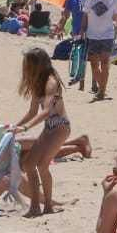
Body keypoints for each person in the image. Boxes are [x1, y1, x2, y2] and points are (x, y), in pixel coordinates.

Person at [14, 47, 71, 217]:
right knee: (29, 165)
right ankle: (36, 206)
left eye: (27, 65)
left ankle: (47, 205)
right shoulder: (37, 82)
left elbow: (46, 111)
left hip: (60, 127)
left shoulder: (51, 83)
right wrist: (15, 127)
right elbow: (32, 112)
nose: (24, 68)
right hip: (49, 127)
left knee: (42, 165)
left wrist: (25, 128)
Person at [82, 0, 117, 101]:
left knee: (105, 63)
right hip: (92, 35)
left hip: (107, 35)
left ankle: (101, 92)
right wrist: (82, 30)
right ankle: (102, 89)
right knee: (94, 65)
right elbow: (85, 14)